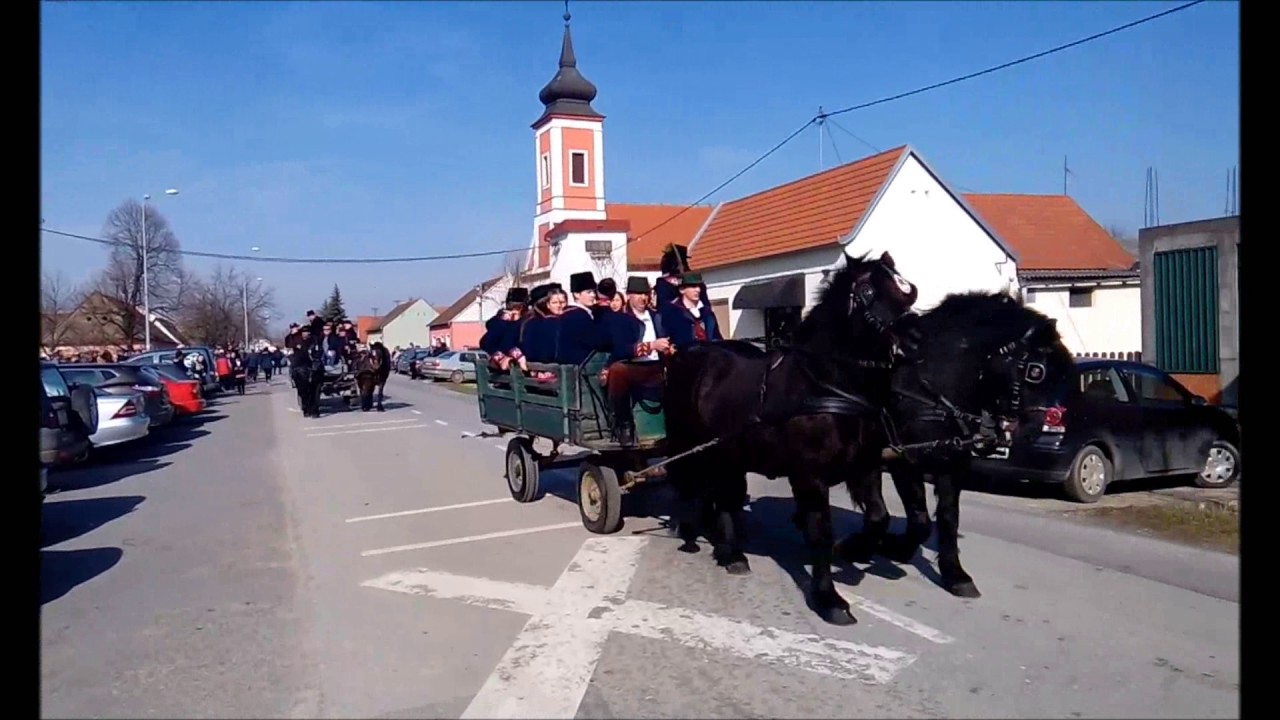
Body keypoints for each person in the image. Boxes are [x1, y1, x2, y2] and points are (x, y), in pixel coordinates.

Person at [601, 276, 674, 445]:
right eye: (639, 294)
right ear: (629, 296)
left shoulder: (657, 317)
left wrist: (670, 347)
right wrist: (650, 346)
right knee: (618, 371)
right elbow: (620, 349)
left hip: (658, 367)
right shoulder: (621, 319)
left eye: (646, 294)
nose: (643, 298)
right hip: (634, 367)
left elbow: (668, 338)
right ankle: (623, 423)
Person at [660, 272, 723, 350]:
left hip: (709, 358)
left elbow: (716, 338)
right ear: (682, 290)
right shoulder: (672, 313)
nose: (698, 290)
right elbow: (665, 338)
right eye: (693, 286)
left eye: (699, 286)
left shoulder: (707, 313)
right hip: (683, 359)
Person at [558, 272, 604, 365]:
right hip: (580, 367)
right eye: (588, 292)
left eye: (594, 291)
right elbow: (594, 341)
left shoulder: (568, 313)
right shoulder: (578, 316)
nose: (593, 295)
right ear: (576, 294)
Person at [480, 287, 529, 371]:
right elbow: (485, 342)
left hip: (517, 368)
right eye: (511, 308)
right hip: (505, 370)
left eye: (517, 308)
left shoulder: (527, 322)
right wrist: (503, 321)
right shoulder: (499, 322)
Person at [289, 326, 325, 417]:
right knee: (303, 391)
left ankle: (315, 410)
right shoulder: (296, 341)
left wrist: (316, 362)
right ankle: (306, 408)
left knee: (315, 391)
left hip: (313, 368)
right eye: (304, 332)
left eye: (308, 332)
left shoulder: (314, 341)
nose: (306, 334)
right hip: (301, 367)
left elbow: (319, 352)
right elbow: (290, 345)